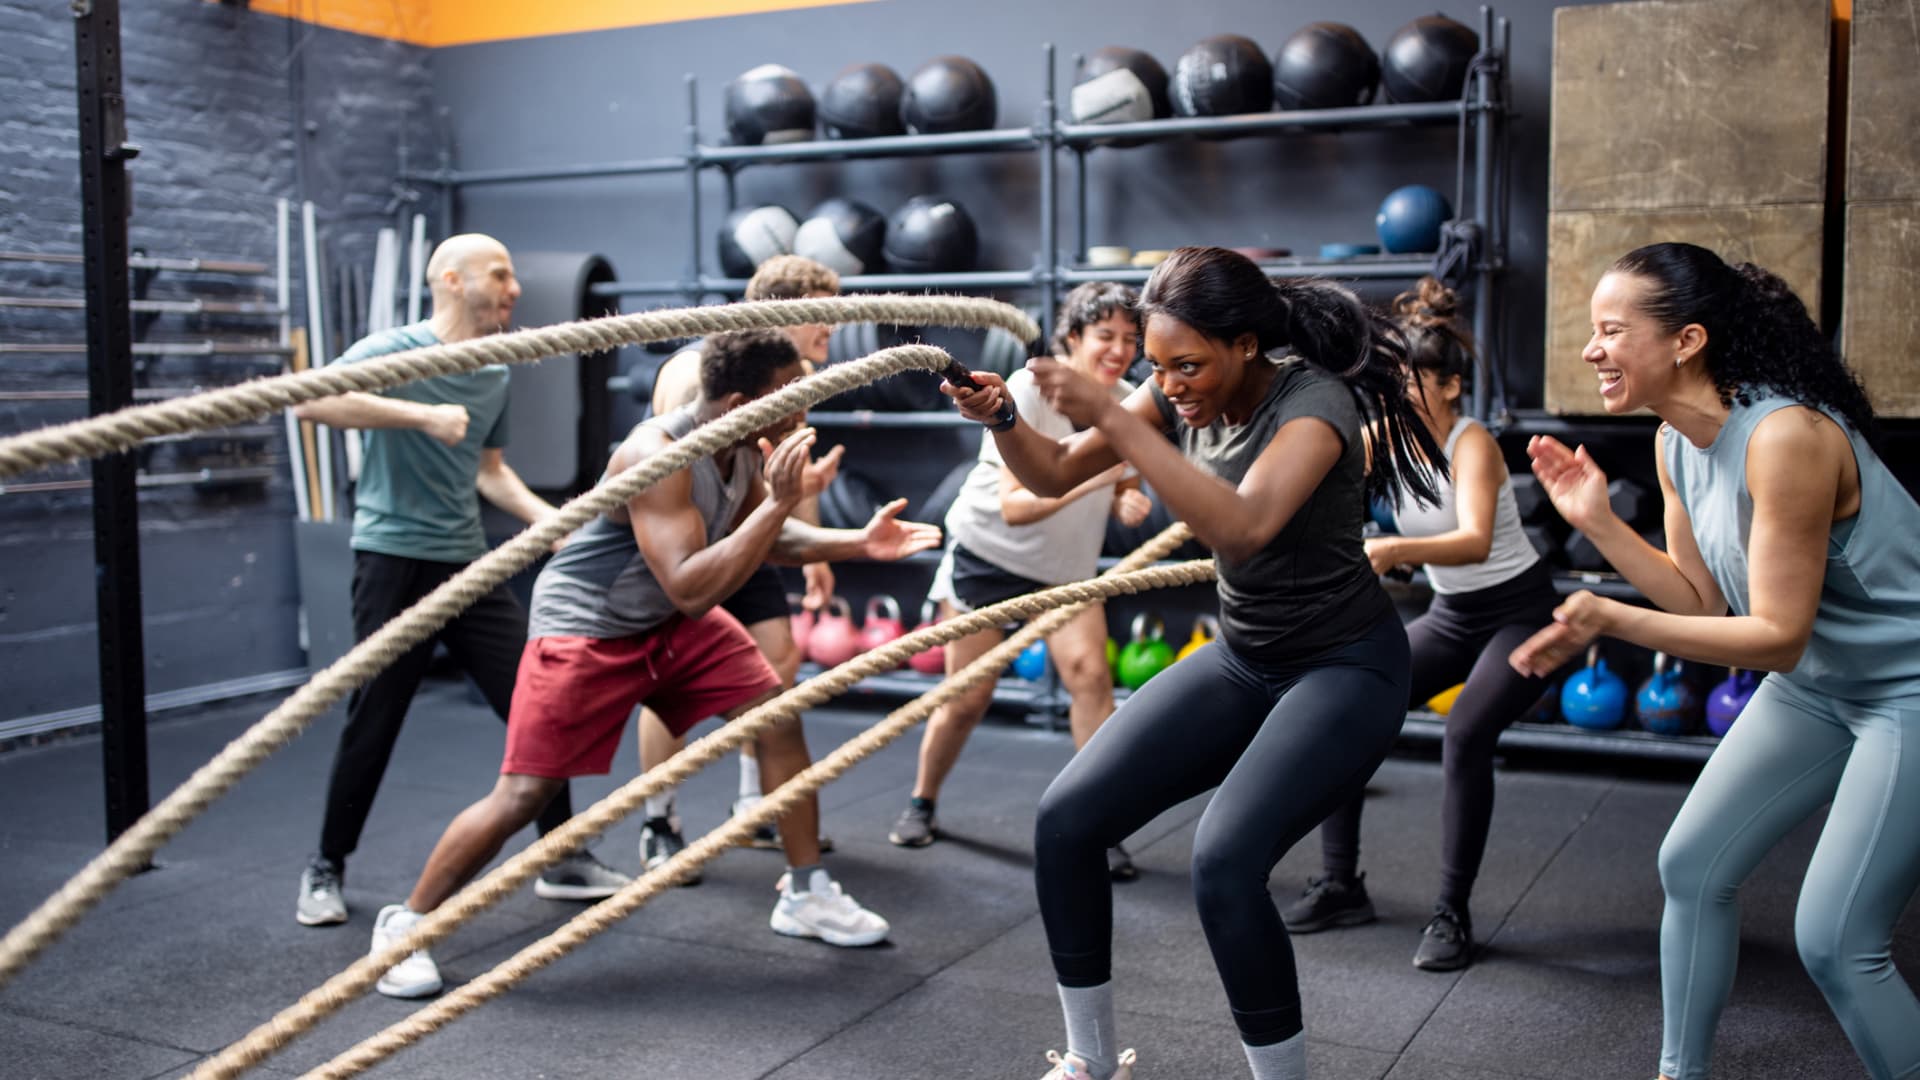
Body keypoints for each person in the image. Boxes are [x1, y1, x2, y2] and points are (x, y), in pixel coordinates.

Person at [946, 246, 1446, 1080]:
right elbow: (1055, 472)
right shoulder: (1175, 386)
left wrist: (1113, 419)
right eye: (1158, 366)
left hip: (1345, 668)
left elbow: (1241, 529)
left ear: (1246, 345)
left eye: (1188, 366)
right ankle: (1091, 1060)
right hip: (1246, 658)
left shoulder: (1313, 406)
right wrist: (1004, 419)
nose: (1170, 383)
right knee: (1065, 823)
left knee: (1224, 864)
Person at [368, 328, 942, 999]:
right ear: (740, 403)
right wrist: (783, 500)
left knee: (776, 717)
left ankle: (806, 891)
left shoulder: (743, 447)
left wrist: (858, 543)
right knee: (526, 793)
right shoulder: (658, 454)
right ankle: (406, 926)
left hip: (667, 619)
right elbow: (692, 585)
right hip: (590, 626)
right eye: (792, 392)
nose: (805, 405)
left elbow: (767, 537)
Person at [1508, 242, 1920, 1080]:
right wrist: (1597, 521)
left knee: (1837, 940)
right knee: (1691, 866)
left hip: (1907, 689)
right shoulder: (1674, 443)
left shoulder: (1787, 438)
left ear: (1686, 340)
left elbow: (1775, 636)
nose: (1591, 350)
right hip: (1819, 687)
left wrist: (1604, 618)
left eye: (1611, 330)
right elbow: (1700, 602)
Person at [289, 233, 624, 928]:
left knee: (538, 701)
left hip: (465, 561)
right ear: (450, 280)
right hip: (391, 558)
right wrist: (418, 413)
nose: (514, 288)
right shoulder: (394, 349)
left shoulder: (492, 370)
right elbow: (311, 403)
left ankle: (562, 856)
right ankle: (326, 866)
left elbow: (488, 470)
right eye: (499, 275)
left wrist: (551, 520)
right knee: (375, 717)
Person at [1279, 276, 1559, 972]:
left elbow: (1473, 541)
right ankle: (1342, 885)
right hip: (1454, 613)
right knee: (1345, 709)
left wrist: (1393, 549)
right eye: (1394, 383)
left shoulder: (1472, 444)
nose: (1400, 395)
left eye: (1414, 383)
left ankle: (1452, 913)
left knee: (1465, 732)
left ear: (1452, 387)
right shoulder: (1385, 438)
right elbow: (1316, 479)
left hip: (1521, 613)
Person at [888, 282, 1153, 882]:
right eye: (1105, 335)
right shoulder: (1030, 390)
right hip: (989, 555)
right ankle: (921, 802)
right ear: (1073, 338)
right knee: (966, 700)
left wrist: (1127, 498)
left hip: (1064, 567)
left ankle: (1100, 824)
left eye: (1129, 339)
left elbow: (1126, 478)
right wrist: (1099, 482)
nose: (1119, 350)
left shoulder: (1129, 401)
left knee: (1091, 679)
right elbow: (1015, 506)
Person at [636, 255, 845, 879]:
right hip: (690, 544)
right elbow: (677, 456)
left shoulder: (796, 377)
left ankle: (755, 803)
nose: (831, 329)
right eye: (821, 315)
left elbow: (787, 462)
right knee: (670, 689)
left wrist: (816, 548)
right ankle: (658, 821)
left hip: (749, 531)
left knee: (778, 660)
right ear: (780, 312)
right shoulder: (693, 369)